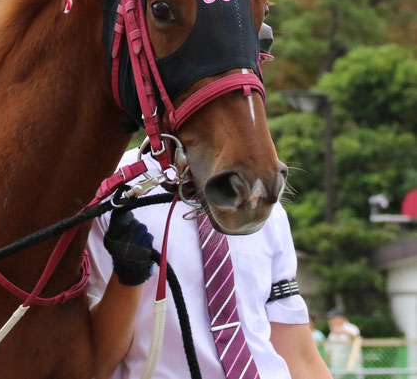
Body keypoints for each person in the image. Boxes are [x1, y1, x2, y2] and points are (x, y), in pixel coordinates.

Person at [88, 148, 331, 379]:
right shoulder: (108, 189)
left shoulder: (262, 189)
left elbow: (297, 352)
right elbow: (91, 364)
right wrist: (127, 278)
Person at [325, 308, 363, 377]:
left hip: (353, 367)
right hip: (337, 367)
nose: (331, 321)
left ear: (341, 318)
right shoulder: (332, 334)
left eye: (333, 318)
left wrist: (343, 330)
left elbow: (356, 337)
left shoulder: (351, 327)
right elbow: (329, 351)